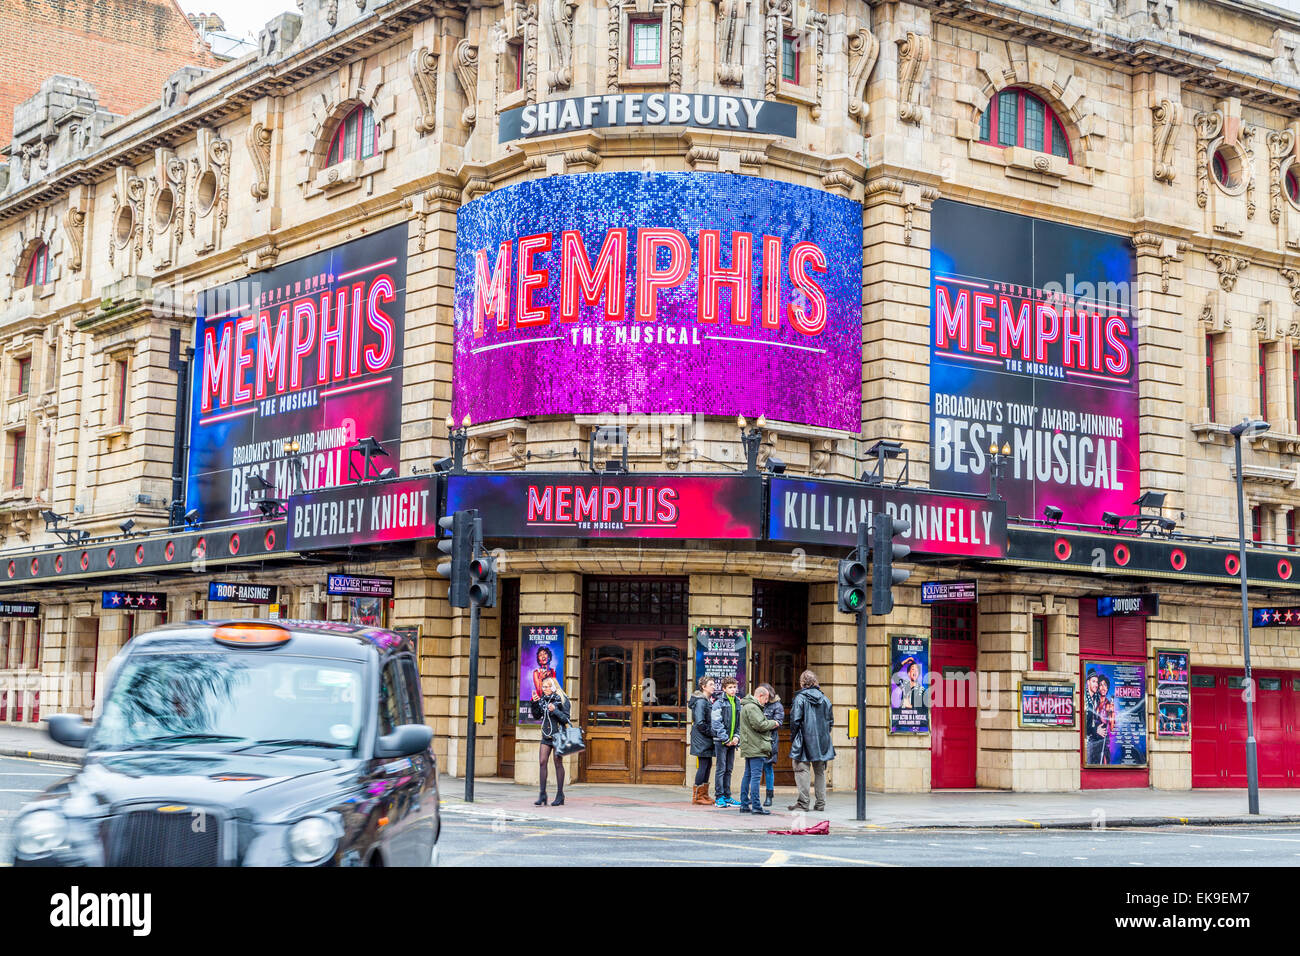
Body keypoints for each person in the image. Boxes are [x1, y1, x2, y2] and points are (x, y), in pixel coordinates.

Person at [788, 670, 835, 812]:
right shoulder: (825, 699)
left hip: (804, 739)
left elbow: (795, 721)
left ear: (802, 683)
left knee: (801, 768)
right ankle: (820, 803)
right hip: (822, 740)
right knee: (820, 771)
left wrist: (794, 737)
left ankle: (803, 802)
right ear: (815, 682)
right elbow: (830, 722)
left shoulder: (800, 698)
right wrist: (823, 735)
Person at [737, 685, 779, 815]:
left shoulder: (747, 706)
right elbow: (760, 725)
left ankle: (744, 804)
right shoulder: (753, 707)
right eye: (765, 699)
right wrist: (774, 723)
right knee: (755, 777)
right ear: (760, 696)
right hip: (756, 746)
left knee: (748, 775)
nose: (766, 702)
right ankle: (756, 806)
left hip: (750, 745)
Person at [529, 675, 570, 807]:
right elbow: (536, 716)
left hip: (559, 735)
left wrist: (556, 710)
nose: (544, 689)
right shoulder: (543, 700)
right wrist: (534, 703)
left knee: (558, 763)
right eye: (543, 687)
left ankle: (560, 795)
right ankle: (542, 794)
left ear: (553, 687)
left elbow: (566, 719)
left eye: (547, 687)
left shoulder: (562, 700)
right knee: (542, 762)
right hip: (546, 736)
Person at [710, 676, 742, 808]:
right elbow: (716, 723)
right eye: (730, 687)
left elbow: (739, 723)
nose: (733, 690)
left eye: (734, 687)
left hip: (732, 741)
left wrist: (736, 737)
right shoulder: (718, 703)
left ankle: (728, 796)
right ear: (724, 689)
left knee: (729, 769)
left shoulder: (737, 702)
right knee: (721, 769)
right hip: (721, 741)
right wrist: (726, 739)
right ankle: (719, 797)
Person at [688, 676, 717, 805]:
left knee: (708, 765)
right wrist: (712, 732)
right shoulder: (700, 701)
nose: (714, 686)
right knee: (704, 766)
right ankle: (697, 796)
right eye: (711, 684)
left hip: (706, 738)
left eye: (714, 684)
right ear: (703, 687)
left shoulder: (707, 701)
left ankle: (704, 794)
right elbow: (700, 723)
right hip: (702, 738)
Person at [758, 683, 784, 807]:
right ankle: (753, 796)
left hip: (770, 740)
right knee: (754, 770)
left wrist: (762, 725)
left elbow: (778, 722)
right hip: (756, 740)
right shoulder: (756, 704)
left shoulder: (776, 705)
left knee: (768, 768)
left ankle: (769, 796)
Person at [1083, 669, 1106, 765]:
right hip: (1087, 742)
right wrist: (1095, 729)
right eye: (1093, 681)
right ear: (1088, 682)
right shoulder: (1084, 698)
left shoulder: (1097, 698)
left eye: (1097, 682)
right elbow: (1083, 723)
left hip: (1096, 742)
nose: (1096, 684)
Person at [1097, 674, 1114, 765]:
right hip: (1093, 738)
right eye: (1101, 685)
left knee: (1104, 761)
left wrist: (1112, 713)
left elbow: (1111, 727)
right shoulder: (1094, 702)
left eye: (1105, 685)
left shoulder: (1108, 704)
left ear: (1107, 689)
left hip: (1103, 738)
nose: (1103, 687)